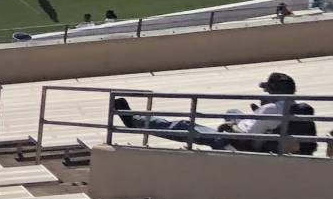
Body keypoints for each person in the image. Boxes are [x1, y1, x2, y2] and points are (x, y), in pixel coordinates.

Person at [113, 74, 316, 155]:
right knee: (233, 111)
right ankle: (137, 120)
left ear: (273, 91)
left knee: (185, 125)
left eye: (267, 91)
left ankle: (134, 121)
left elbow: (245, 135)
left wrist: (230, 125)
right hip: (266, 141)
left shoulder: (271, 109)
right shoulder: (297, 108)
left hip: (236, 144)